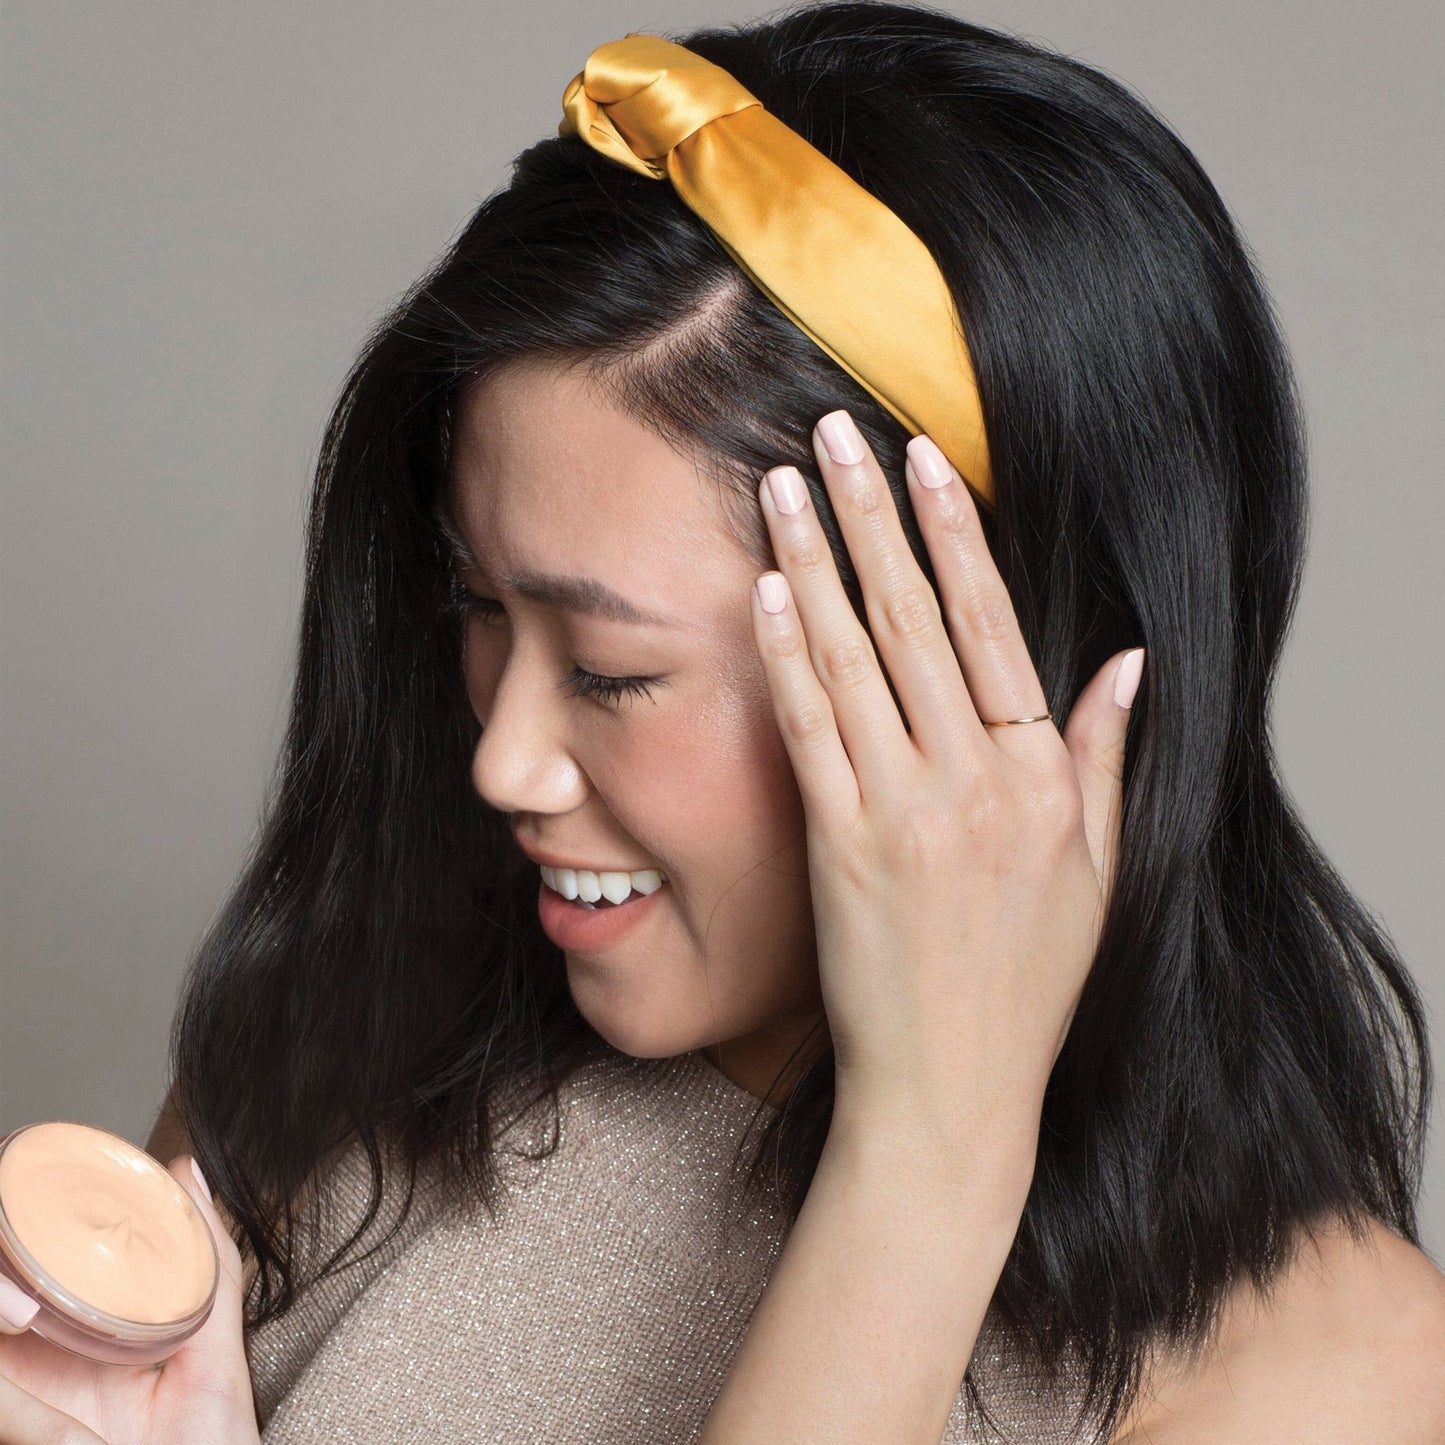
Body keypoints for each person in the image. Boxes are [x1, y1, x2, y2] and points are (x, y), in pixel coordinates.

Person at [2, 3, 1442, 1441]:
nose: (500, 759)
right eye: (476, 600)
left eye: (618, 670)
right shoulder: (349, 1047)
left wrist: (926, 1150)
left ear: (1000, 662)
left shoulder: (1329, 1368)